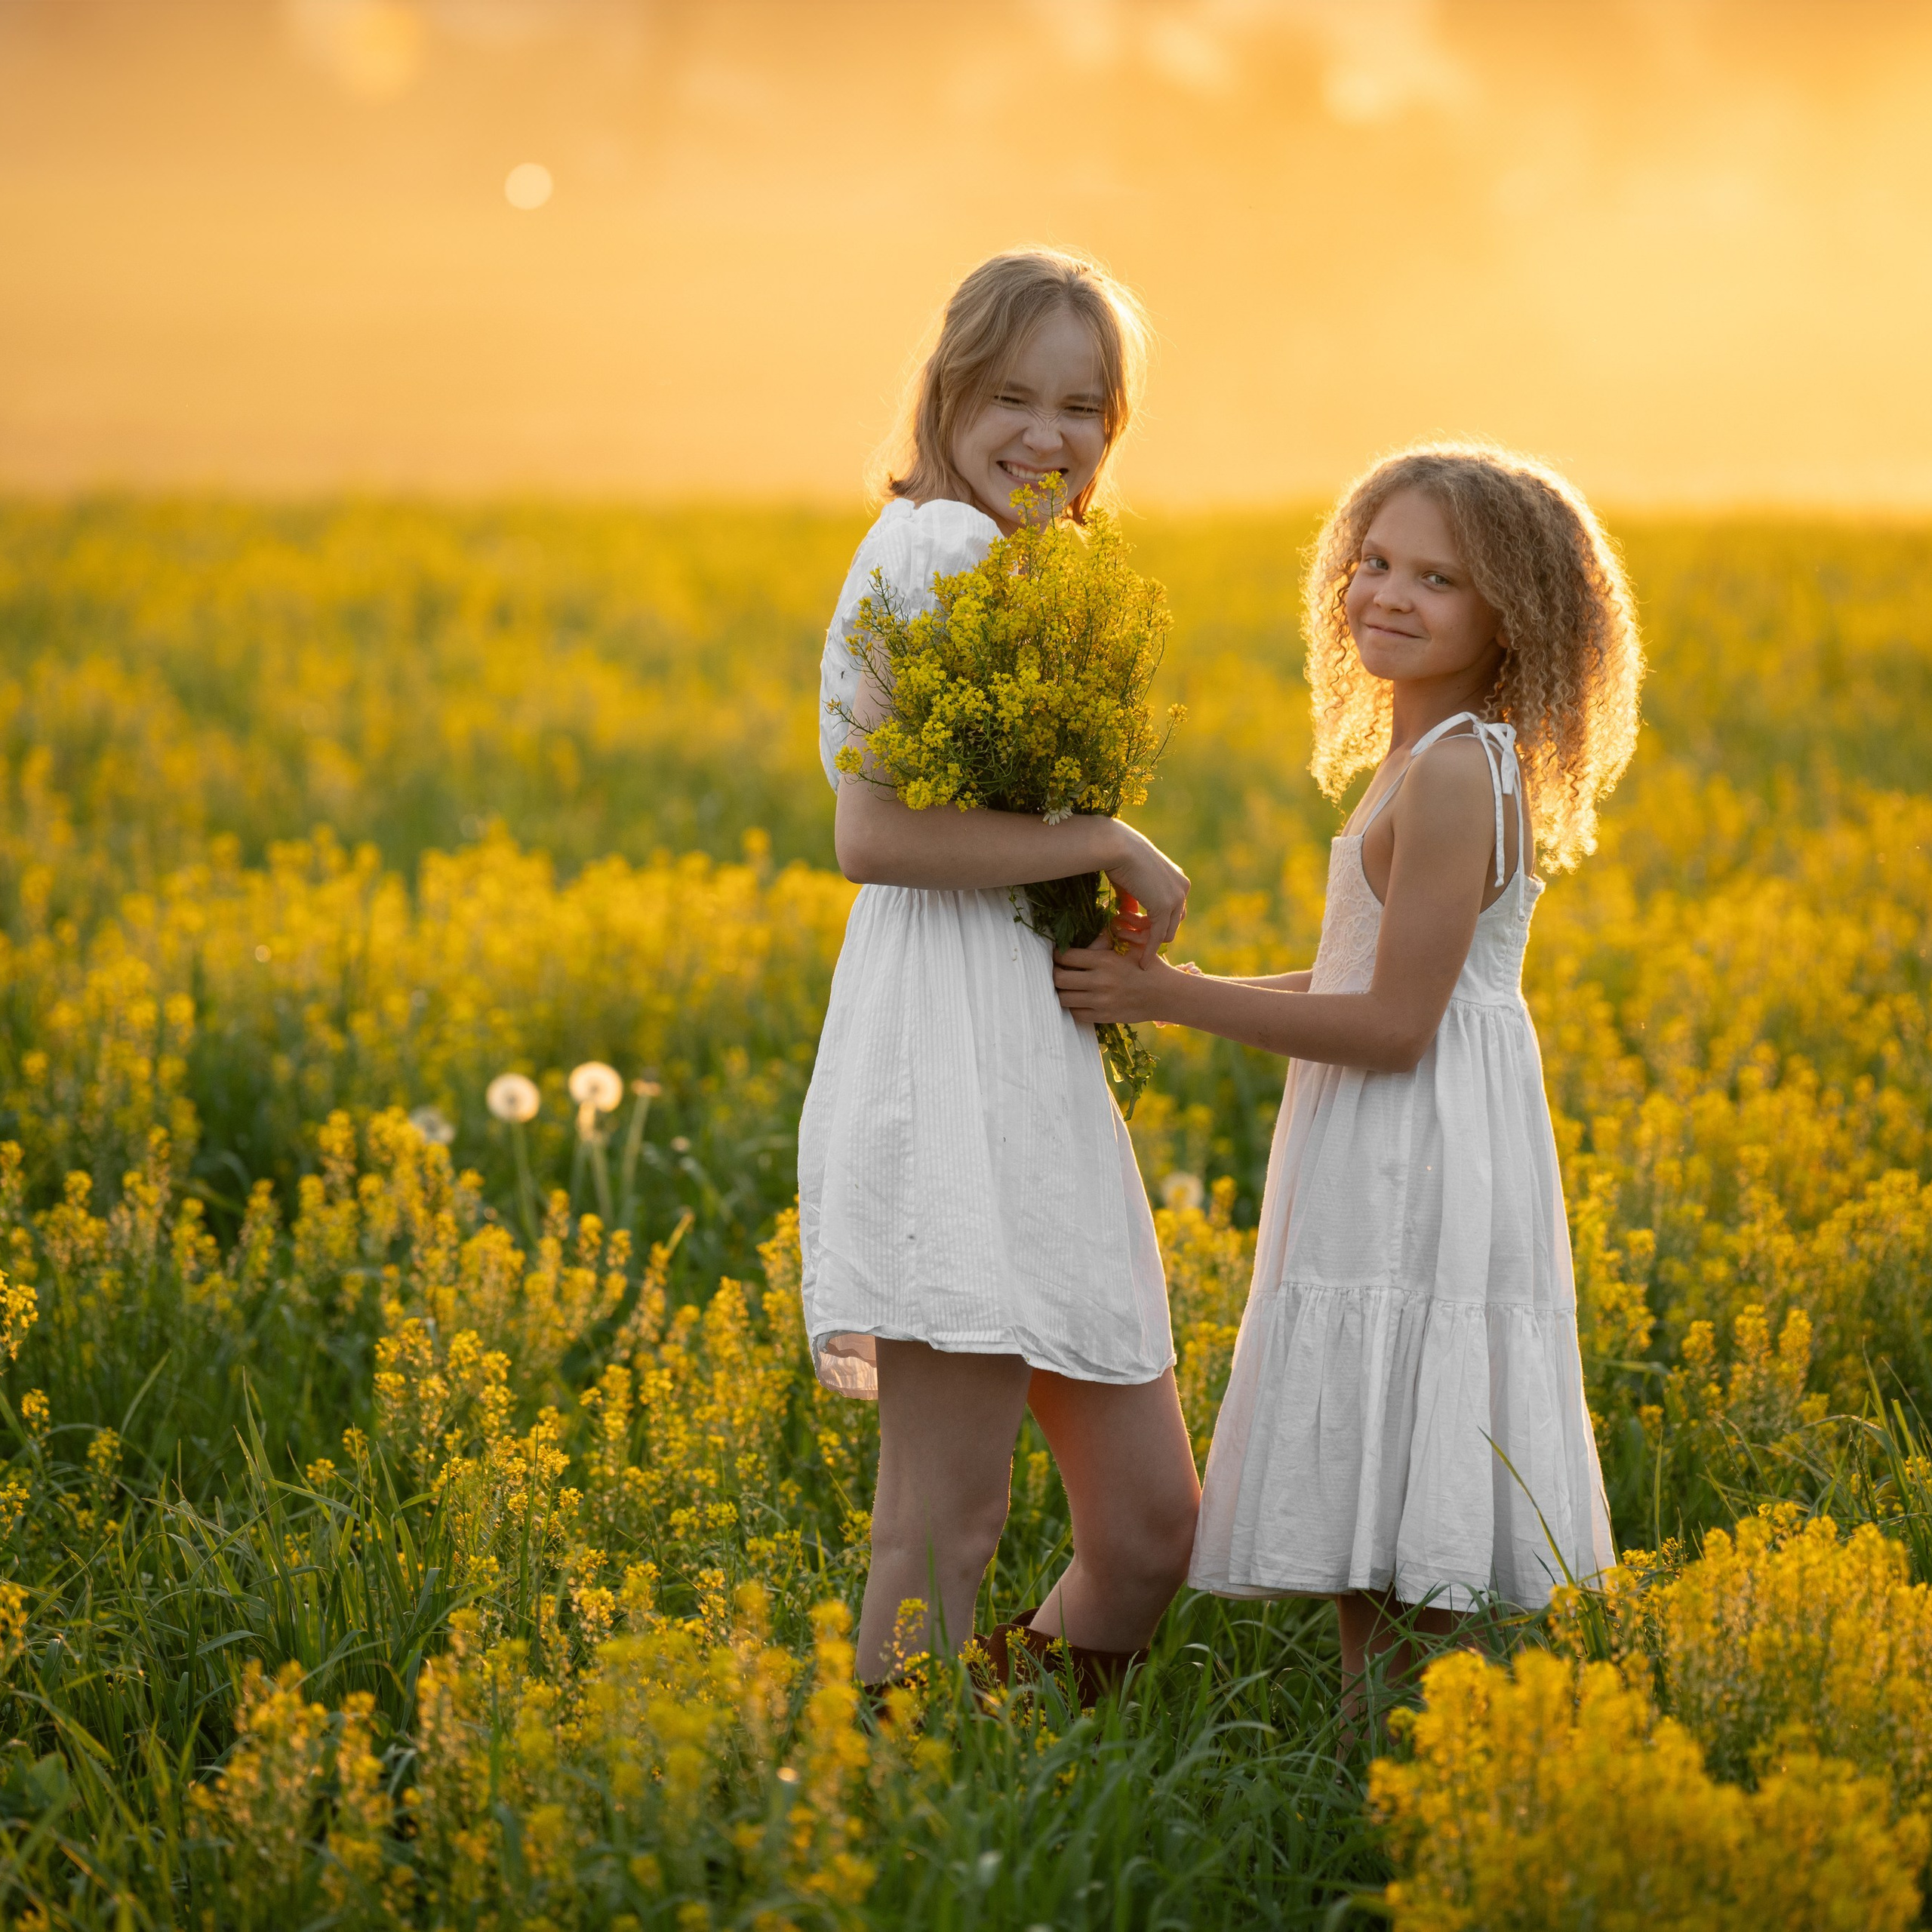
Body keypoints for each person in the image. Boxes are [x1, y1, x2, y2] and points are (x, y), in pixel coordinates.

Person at [1053, 442, 1642, 1724]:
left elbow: (1391, 1026)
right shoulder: (1427, 754)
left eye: (1438, 578)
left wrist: (1163, 996)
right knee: (1385, 1463)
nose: (1388, 593)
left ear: (1513, 621)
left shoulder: (1452, 774)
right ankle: (1382, 1762)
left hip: (1417, 1137)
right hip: (1398, 1132)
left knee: (1412, 1453)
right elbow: (1356, 974)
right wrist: (1201, 984)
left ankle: (1421, 1766)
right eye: (1374, 561)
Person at [798, 246, 1201, 1697]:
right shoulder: (936, 546)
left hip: (1021, 1048)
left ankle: (997, 1757)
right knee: (945, 1523)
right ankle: (912, 1822)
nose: (1050, 434)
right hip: (946, 1046)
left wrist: (1087, 895)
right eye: (1016, 397)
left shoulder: (1034, 565)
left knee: (1151, 1528)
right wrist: (1106, 839)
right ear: (951, 395)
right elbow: (871, 834)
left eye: (1085, 407)